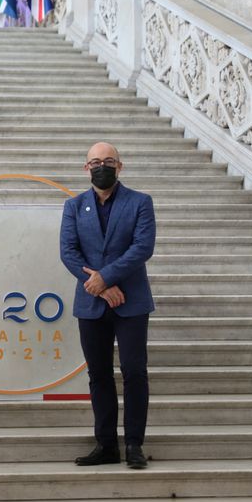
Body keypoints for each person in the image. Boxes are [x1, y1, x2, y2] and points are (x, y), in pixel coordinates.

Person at [59, 141, 156, 469]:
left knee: (134, 372)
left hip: (132, 302)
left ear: (120, 166)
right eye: (96, 162)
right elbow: (68, 252)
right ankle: (106, 445)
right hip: (92, 303)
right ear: (86, 168)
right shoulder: (74, 206)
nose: (103, 167)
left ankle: (134, 444)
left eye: (109, 161)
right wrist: (100, 287)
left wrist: (106, 278)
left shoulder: (140, 202)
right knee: (98, 374)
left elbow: (142, 247)